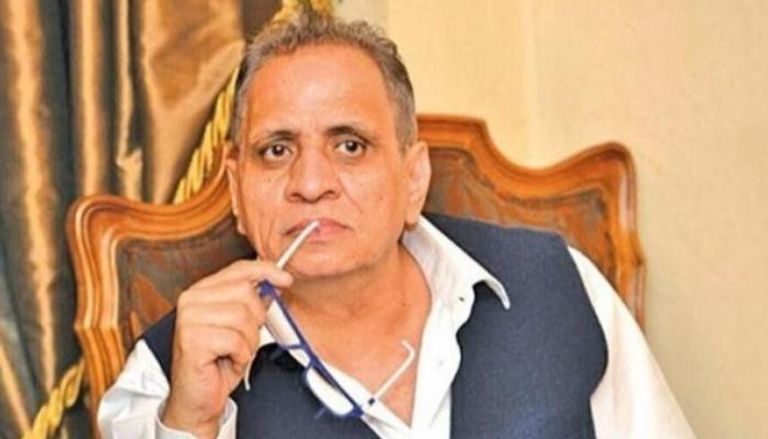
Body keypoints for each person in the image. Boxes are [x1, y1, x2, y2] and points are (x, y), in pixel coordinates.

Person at [98, 9, 695, 439]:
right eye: (276, 150)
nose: (311, 182)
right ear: (235, 187)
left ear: (413, 179)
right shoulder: (167, 378)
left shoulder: (557, 284)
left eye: (350, 146)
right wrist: (191, 423)